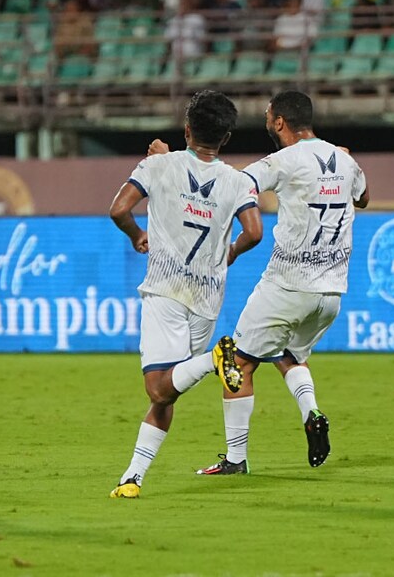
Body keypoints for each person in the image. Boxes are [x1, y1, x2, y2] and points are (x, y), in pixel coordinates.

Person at [196, 90, 368, 474]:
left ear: (279, 122)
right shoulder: (344, 159)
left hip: (289, 285)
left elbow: (241, 184)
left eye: (267, 115)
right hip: (331, 293)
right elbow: (364, 198)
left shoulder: (284, 160)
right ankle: (312, 413)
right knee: (287, 354)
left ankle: (236, 460)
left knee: (235, 361)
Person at [107, 90, 262, 499]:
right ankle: (133, 477)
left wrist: (138, 235)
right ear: (226, 138)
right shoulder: (238, 181)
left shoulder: (159, 165)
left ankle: (215, 360)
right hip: (207, 298)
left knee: (159, 387)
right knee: (169, 389)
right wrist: (230, 253)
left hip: (165, 289)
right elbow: (255, 231)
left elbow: (119, 209)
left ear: (187, 127)